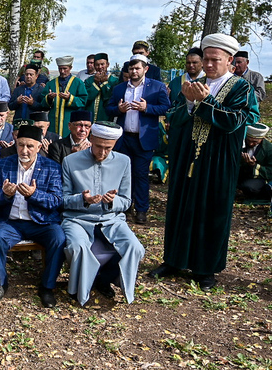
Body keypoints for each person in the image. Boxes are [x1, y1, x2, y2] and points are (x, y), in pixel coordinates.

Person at [148, 33, 259, 291]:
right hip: (188, 156)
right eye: (205, 59)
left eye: (214, 60)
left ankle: (205, 268)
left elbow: (235, 121)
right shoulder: (193, 84)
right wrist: (188, 102)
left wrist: (204, 101)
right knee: (181, 206)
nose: (208, 64)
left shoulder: (241, 88)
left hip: (219, 159)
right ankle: (174, 260)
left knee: (212, 210)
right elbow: (173, 118)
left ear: (229, 60)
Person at [61, 122, 145, 306]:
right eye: (98, 146)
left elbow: (126, 201)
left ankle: (104, 279)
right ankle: (78, 289)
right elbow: (63, 199)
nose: (102, 152)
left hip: (111, 220)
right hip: (77, 219)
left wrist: (112, 201)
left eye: (108, 148)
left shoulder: (123, 161)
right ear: (91, 138)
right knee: (77, 247)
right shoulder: (70, 161)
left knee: (135, 248)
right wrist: (83, 199)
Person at [0, 125, 66, 307]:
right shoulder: (3, 164)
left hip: (41, 222)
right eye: (21, 145)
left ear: (39, 147)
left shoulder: (51, 167)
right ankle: (0, 283)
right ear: (15, 144)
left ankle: (47, 287)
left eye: (30, 146)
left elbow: (56, 200)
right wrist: (5, 194)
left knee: (59, 238)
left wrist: (34, 194)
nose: (24, 150)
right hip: (11, 222)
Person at [106, 54, 170, 224]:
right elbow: (109, 108)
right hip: (124, 138)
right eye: (131, 68)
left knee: (141, 175)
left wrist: (147, 107)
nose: (134, 71)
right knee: (123, 175)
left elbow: (166, 107)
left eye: (137, 68)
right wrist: (118, 109)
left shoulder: (156, 87)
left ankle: (141, 210)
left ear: (145, 69)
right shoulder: (119, 88)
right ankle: (124, 207)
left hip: (144, 139)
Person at [40, 55, 87, 138]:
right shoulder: (51, 83)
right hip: (53, 121)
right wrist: (49, 98)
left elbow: (83, 101)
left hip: (70, 119)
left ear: (70, 68)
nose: (62, 71)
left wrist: (70, 98)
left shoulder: (78, 83)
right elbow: (42, 102)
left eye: (65, 68)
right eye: (60, 69)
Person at [238, 124, 272, 202]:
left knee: (249, 187)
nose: (250, 144)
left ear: (262, 139)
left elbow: (270, 171)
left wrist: (254, 165)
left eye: (254, 142)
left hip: (258, 178)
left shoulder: (269, 149)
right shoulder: (240, 143)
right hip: (239, 174)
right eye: (248, 140)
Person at [84, 53, 120, 122]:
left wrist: (104, 83)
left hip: (106, 119)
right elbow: (86, 98)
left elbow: (109, 99)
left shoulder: (115, 81)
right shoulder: (88, 81)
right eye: (97, 65)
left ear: (107, 64)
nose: (100, 67)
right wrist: (96, 83)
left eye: (102, 64)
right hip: (89, 119)